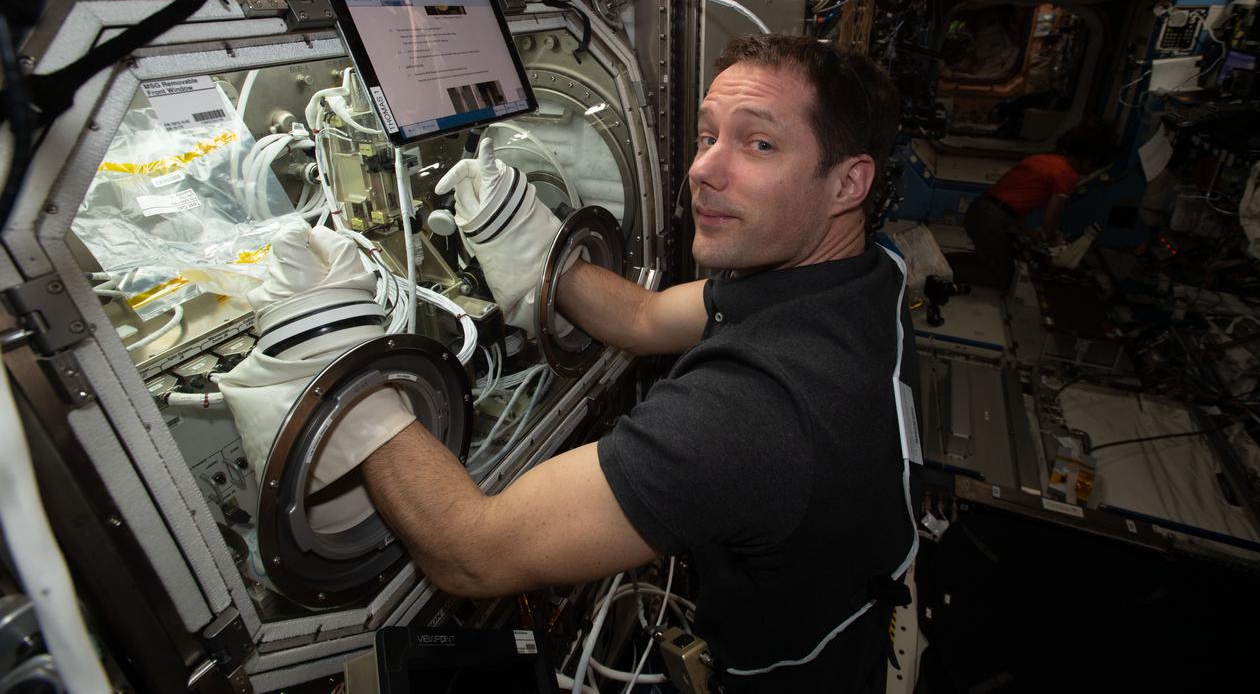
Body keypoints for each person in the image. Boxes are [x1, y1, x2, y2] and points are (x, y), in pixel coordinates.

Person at [359, 34, 921, 693]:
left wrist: (340, 371)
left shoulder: (754, 412)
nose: (705, 169)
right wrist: (525, 241)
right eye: (708, 135)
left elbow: (472, 554)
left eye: (759, 144)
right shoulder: (860, 274)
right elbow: (644, 318)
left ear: (848, 182)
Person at [946, 129, 1112, 290]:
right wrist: (1054, 241)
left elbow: (1008, 203)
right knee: (1002, 278)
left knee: (992, 259)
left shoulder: (1044, 159)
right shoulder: (1068, 175)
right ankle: (936, 272)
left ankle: (942, 260)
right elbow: (1050, 220)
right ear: (1088, 162)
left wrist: (1029, 232)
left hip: (980, 211)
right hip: (990, 220)